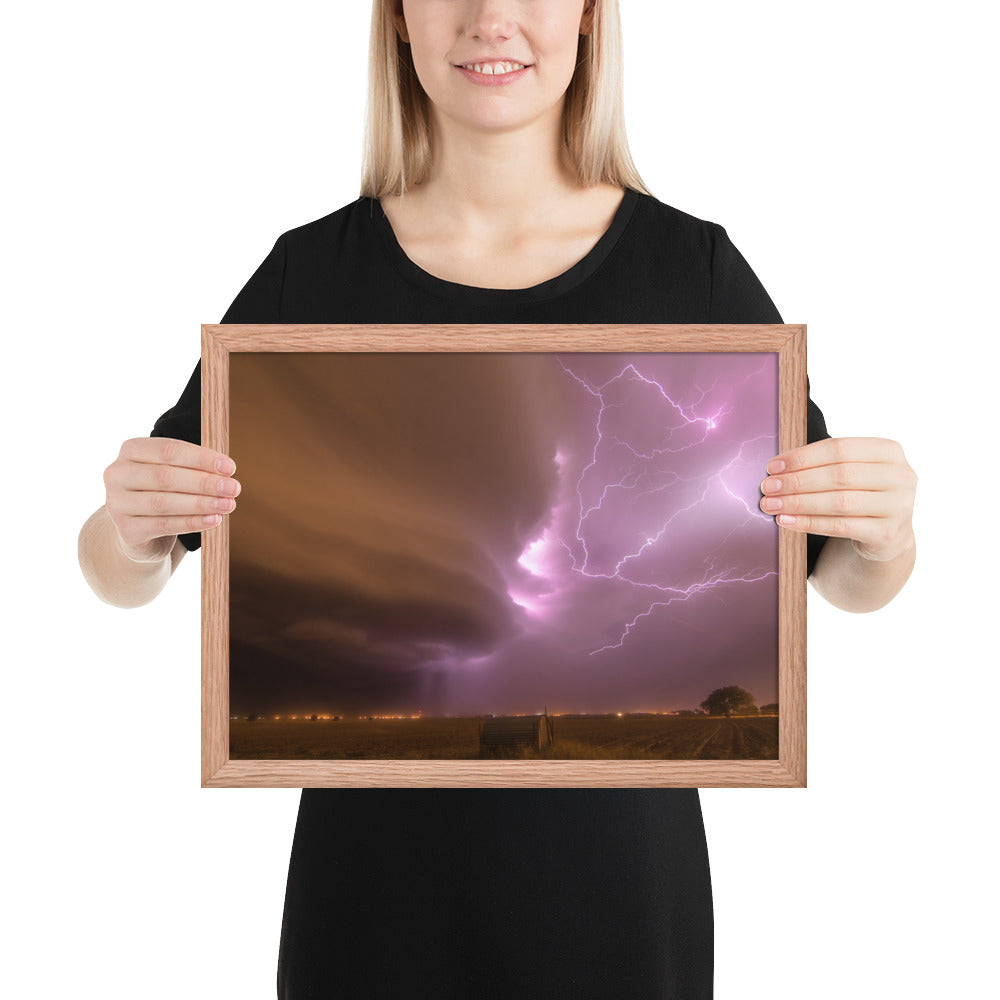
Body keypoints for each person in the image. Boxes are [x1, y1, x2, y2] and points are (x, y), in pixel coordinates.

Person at [78, 1, 917, 996]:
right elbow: (124, 564)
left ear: (591, 18)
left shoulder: (690, 270)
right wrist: (131, 530)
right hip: (372, 894)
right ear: (396, 19)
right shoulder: (312, 274)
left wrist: (883, 532)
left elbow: (841, 576)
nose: (491, 19)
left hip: (617, 896)